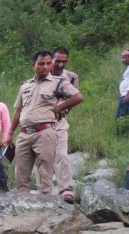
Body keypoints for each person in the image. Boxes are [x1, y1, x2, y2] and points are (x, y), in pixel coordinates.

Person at [8, 51, 83, 195]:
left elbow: (78, 96)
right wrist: (10, 132)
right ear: (33, 65)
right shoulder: (25, 86)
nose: (46, 67)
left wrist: (60, 107)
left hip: (44, 132)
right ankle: (23, 204)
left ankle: (46, 204)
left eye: (49, 63)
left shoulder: (58, 82)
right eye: (41, 64)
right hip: (24, 134)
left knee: (45, 171)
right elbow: (18, 110)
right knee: (21, 172)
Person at [50, 47, 80, 203]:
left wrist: (62, 109)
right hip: (42, 123)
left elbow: (75, 97)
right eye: (58, 60)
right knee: (44, 157)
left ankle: (66, 189)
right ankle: (44, 190)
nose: (61, 64)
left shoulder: (71, 76)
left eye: (64, 61)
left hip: (60, 120)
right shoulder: (43, 72)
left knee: (61, 154)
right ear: (52, 59)